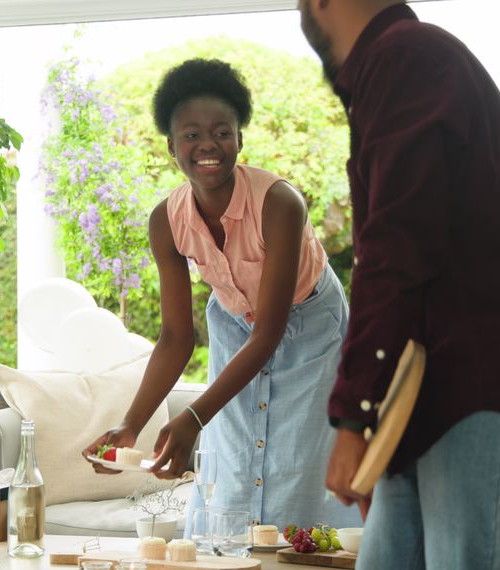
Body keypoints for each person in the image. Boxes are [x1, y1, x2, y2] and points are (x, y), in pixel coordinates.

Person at [297, 1, 500, 568]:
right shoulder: (406, 59)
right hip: (440, 393)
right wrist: (373, 419)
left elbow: (396, 246)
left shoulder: (404, 57)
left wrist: (353, 414)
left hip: (490, 382)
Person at [82, 58, 361, 530]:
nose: (207, 144)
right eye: (191, 135)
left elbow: (272, 330)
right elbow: (175, 338)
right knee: (233, 461)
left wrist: (194, 415)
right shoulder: (165, 221)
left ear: (240, 139)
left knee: (301, 461)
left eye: (221, 132)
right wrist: (131, 424)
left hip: (312, 324)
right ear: (172, 147)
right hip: (234, 322)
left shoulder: (279, 203)